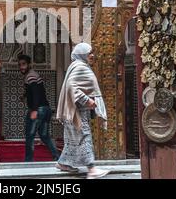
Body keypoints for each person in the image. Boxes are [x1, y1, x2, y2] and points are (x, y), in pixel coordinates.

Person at [56, 42, 109, 179]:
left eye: (92, 53)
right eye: (89, 53)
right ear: (82, 54)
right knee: (84, 138)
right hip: (77, 112)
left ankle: (63, 163)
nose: (92, 55)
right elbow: (71, 87)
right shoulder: (80, 67)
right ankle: (92, 169)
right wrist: (87, 100)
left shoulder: (78, 66)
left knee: (73, 140)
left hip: (75, 110)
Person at [18, 54, 60, 162]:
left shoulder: (30, 76)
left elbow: (36, 93)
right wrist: (24, 96)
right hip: (46, 110)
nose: (21, 67)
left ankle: (28, 160)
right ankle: (57, 156)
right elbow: (34, 90)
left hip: (39, 110)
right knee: (44, 135)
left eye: (24, 64)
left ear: (29, 64)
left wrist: (35, 110)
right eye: (20, 65)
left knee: (30, 135)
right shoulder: (33, 75)